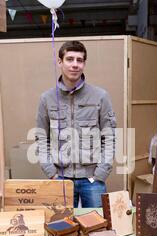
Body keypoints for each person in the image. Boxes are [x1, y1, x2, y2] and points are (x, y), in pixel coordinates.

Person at [36, 41, 116, 208]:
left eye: (79, 60)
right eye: (70, 59)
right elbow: (41, 138)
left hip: (92, 180)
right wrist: (51, 173)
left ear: (84, 64)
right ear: (60, 62)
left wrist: (100, 173)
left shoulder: (100, 96)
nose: (75, 65)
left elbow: (109, 138)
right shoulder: (47, 98)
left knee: (96, 227)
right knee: (62, 228)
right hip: (60, 178)